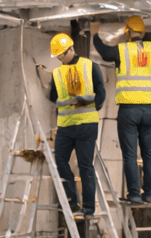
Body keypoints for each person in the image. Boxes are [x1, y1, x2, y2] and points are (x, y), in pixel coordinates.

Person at [91, 16, 151, 204]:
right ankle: (149, 193)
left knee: (130, 154)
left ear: (128, 32)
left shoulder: (122, 50)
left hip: (129, 109)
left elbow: (104, 51)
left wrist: (95, 33)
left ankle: (135, 194)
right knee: (149, 154)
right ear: (143, 32)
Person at [36, 32, 104, 218]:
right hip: (65, 126)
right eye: (57, 56)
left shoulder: (90, 66)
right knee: (60, 161)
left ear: (71, 49)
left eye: (61, 55)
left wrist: (89, 102)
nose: (60, 59)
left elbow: (101, 94)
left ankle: (88, 208)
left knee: (85, 166)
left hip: (86, 125)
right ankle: (72, 202)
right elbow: (53, 96)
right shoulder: (57, 73)